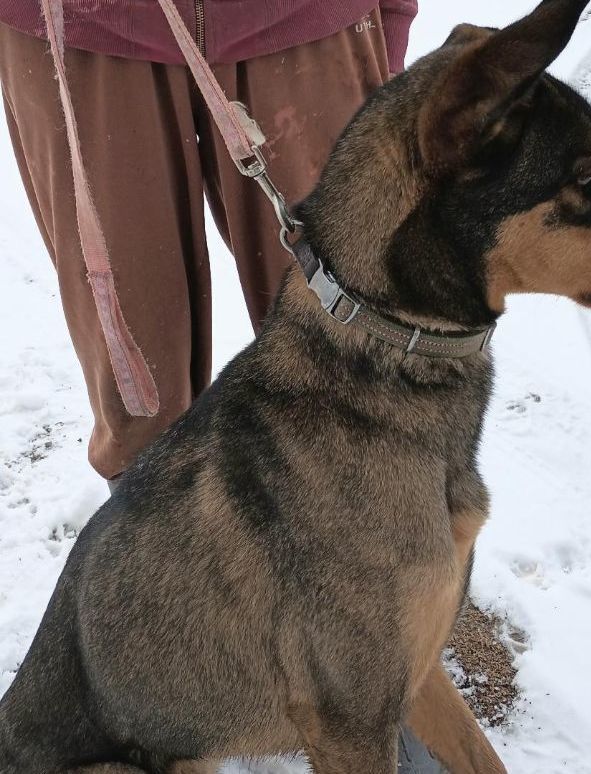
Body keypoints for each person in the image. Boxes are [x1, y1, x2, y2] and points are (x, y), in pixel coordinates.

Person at [0, 3, 448, 771]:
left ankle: (391, 675)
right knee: (138, 389)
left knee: (366, 354)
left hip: (304, 18)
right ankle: (183, 655)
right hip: (83, 29)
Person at [0, 0, 417, 485]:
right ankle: (164, 548)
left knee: (355, 379)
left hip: (308, 20)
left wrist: (392, 20)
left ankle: (374, 546)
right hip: (82, 29)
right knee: (142, 416)